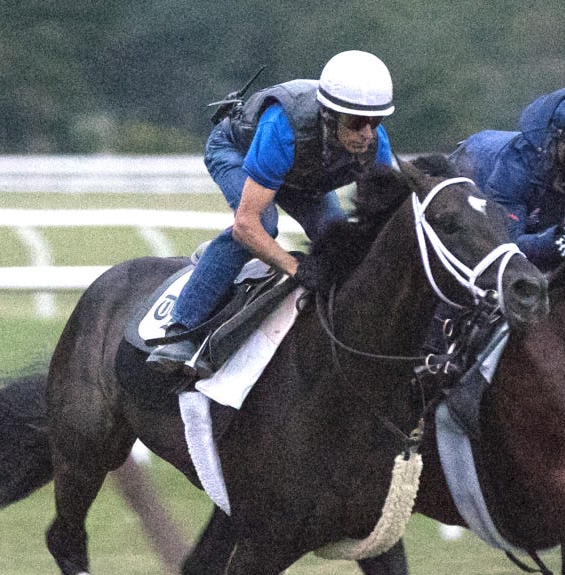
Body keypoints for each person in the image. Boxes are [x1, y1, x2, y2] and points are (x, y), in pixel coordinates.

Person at [147, 50, 398, 376]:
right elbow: (246, 225)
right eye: (357, 123)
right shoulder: (282, 127)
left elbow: (384, 224)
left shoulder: (376, 144)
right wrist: (296, 268)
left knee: (339, 240)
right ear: (330, 116)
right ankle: (181, 329)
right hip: (236, 151)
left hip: (300, 176)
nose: (367, 134)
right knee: (263, 226)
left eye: (376, 122)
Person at [447, 83, 565, 274]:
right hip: (469, 177)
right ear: (564, 149)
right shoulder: (514, 166)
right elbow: (506, 244)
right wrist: (558, 243)